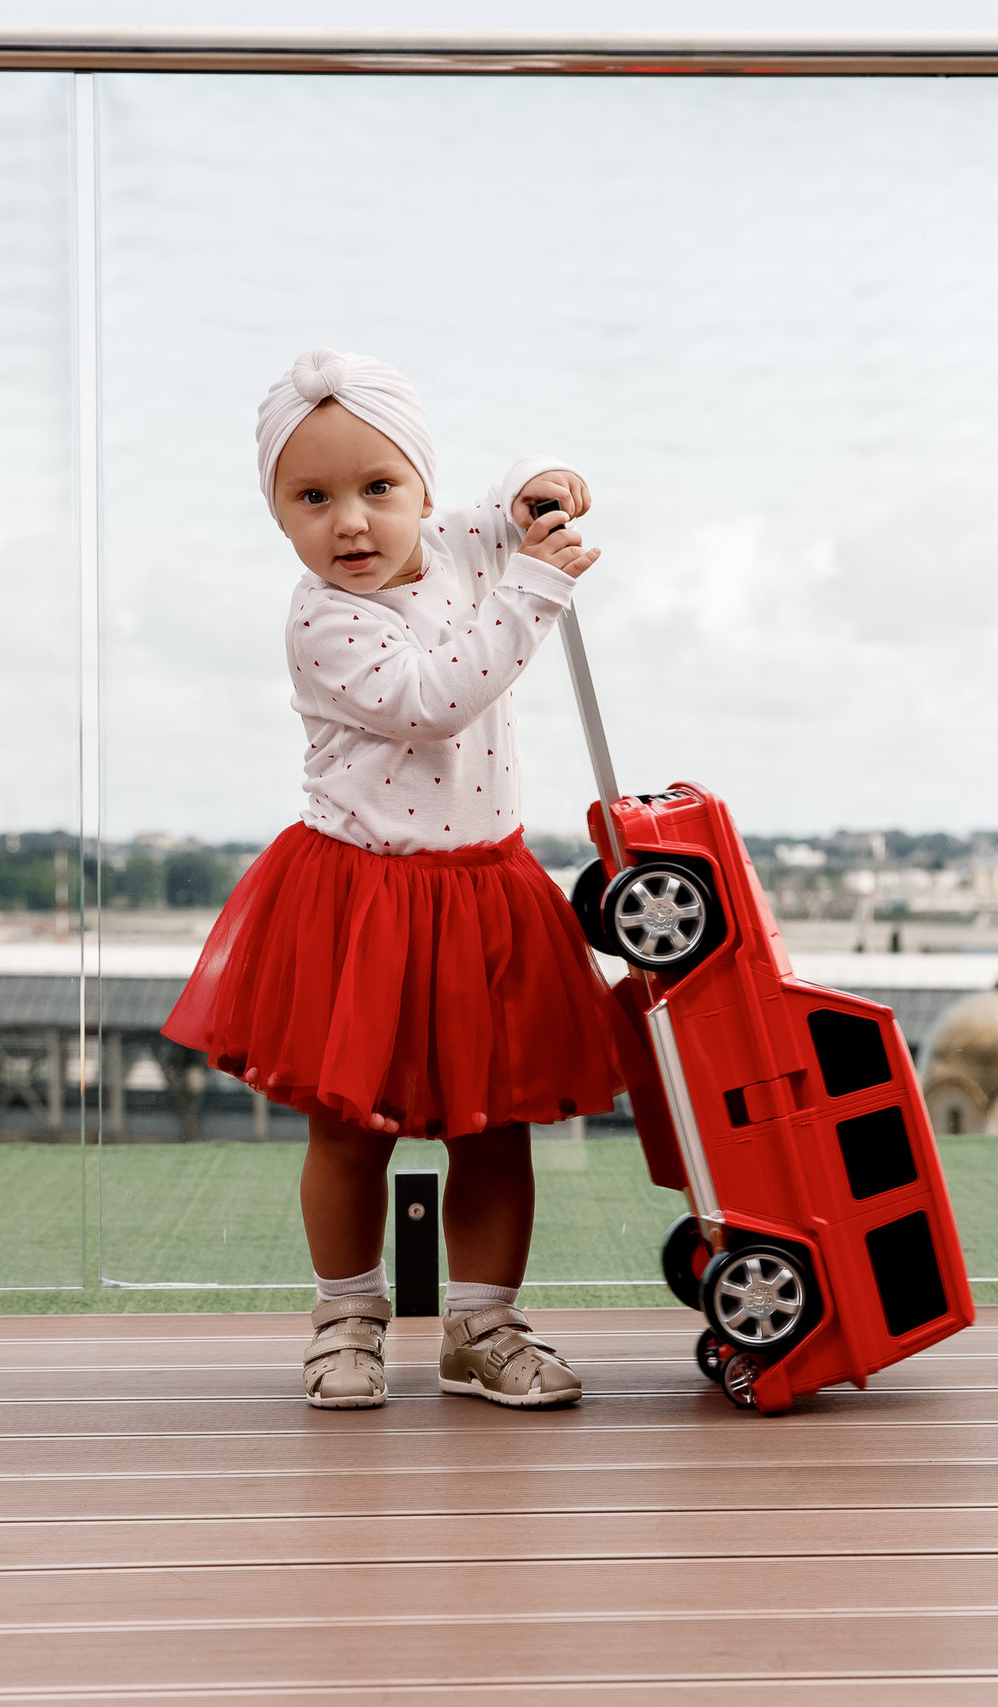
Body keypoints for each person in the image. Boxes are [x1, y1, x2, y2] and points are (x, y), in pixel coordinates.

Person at [162, 347, 618, 1410]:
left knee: (496, 1127)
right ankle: (347, 1317)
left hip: (483, 891)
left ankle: (481, 1324)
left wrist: (544, 486)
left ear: (421, 487)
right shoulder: (322, 619)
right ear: (278, 514)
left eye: (379, 490)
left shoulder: (453, 541)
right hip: (356, 898)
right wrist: (538, 592)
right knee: (348, 1126)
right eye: (311, 498)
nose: (351, 525)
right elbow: (433, 699)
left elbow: (508, 505)